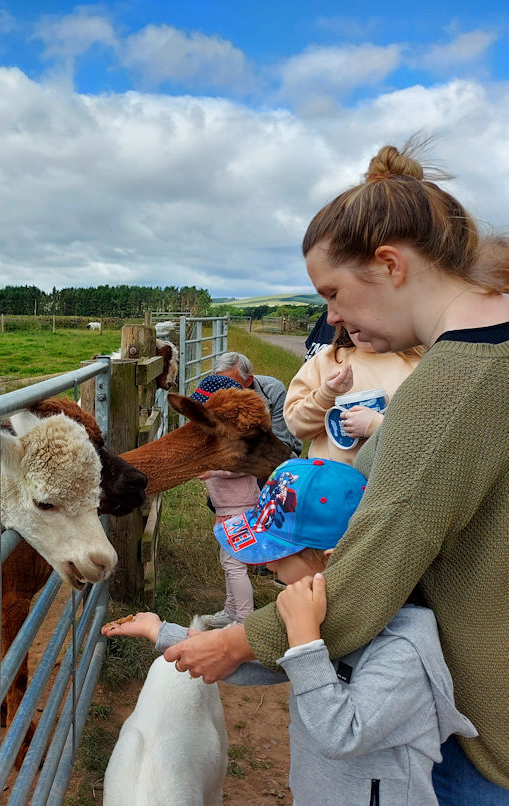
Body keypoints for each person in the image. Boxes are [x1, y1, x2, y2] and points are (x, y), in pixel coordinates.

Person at [162, 141, 509, 803]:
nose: (332, 318)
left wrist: (238, 643)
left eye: (333, 294)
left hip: (478, 736)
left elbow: (374, 569)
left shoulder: (454, 385)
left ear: (390, 264)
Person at [104, 457, 476, 806]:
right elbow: (259, 659)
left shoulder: (404, 646)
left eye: (279, 554)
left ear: (332, 561)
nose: (266, 563)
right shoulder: (326, 621)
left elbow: (342, 734)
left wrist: (303, 638)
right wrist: (164, 633)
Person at [283, 324, 423, 464]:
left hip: (388, 479)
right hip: (328, 477)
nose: (359, 323)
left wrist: (377, 426)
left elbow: (430, 437)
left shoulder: (420, 363)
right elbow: (297, 426)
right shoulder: (327, 358)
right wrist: (325, 395)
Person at [188, 374, 261, 629]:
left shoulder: (242, 435)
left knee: (234, 564)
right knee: (228, 561)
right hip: (228, 507)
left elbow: (244, 464)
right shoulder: (223, 433)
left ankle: (244, 620)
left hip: (239, 508)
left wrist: (214, 471)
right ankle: (231, 611)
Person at [213, 352, 303, 458]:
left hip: (277, 452)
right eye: (219, 384)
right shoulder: (213, 390)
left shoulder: (273, 390)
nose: (225, 391)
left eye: (232, 385)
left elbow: (283, 443)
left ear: (248, 381)